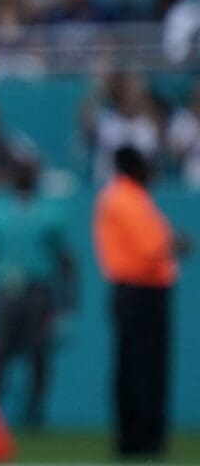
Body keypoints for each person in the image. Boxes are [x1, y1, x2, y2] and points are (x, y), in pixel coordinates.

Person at [93, 145, 189, 459]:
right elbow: (153, 247)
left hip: (131, 291)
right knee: (147, 368)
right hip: (142, 291)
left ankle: (133, 438)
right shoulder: (128, 198)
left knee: (131, 367)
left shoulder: (122, 197)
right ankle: (144, 439)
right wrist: (177, 242)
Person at [0, 162, 77, 429]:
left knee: (38, 353)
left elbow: (65, 259)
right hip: (7, 290)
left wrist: (67, 303)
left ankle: (35, 412)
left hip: (38, 290)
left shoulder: (50, 213)